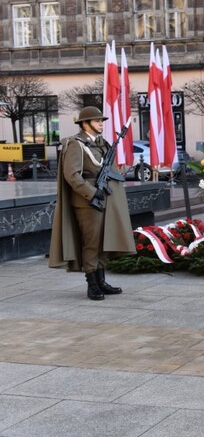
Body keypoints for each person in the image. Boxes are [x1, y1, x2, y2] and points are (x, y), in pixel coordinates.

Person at [48, 106, 135, 301]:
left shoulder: (102, 144)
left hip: (104, 198)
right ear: (85, 123)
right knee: (91, 243)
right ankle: (92, 285)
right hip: (87, 202)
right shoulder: (75, 144)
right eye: (97, 121)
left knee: (104, 241)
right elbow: (72, 175)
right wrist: (92, 193)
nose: (101, 124)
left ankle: (102, 280)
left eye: (102, 121)